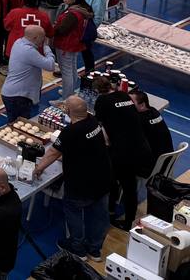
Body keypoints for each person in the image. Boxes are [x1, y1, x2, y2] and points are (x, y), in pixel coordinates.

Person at [35, 95, 111, 260]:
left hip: (81, 183)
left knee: (73, 211)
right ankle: (94, 249)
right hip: (103, 178)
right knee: (99, 215)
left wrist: (39, 168)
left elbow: (54, 152)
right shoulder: (93, 121)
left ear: (68, 111)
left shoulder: (71, 131)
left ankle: (77, 248)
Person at [92, 75, 151, 229]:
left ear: (98, 91)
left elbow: (99, 125)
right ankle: (129, 218)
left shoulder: (102, 101)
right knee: (129, 186)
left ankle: (110, 213)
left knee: (111, 180)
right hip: (140, 146)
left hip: (124, 151)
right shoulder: (125, 95)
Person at [1, 25, 57, 122]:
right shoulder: (28, 51)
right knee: (21, 127)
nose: (44, 39)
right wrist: (47, 48)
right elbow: (50, 65)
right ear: (35, 38)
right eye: (42, 37)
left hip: (12, 93)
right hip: (18, 97)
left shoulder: (18, 42)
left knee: (15, 124)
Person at [53, 0, 93, 99]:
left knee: (66, 72)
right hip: (74, 44)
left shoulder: (72, 13)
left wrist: (54, 27)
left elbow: (62, 30)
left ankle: (66, 98)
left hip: (66, 45)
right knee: (72, 69)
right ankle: (69, 91)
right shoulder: (81, 9)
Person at [132, 90, 174, 165]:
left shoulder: (140, 119)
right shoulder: (154, 111)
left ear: (142, 105)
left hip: (154, 164)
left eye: (132, 103)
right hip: (167, 160)